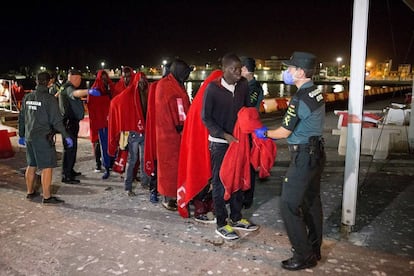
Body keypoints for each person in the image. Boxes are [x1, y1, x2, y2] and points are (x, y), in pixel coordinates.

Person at [255, 51, 326, 270]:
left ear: (301, 72)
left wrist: (264, 133)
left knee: (288, 205)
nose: (287, 71)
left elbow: (284, 132)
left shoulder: (299, 98)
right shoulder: (316, 92)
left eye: (291, 68)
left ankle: (304, 256)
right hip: (317, 154)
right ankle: (314, 248)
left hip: (304, 156)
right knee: (311, 201)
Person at [201, 53, 259, 240]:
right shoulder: (212, 89)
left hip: (239, 141)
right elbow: (206, 118)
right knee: (220, 182)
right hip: (220, 143)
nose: (238, 72)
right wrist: (225, 136)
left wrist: (255, 133)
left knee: (239, 179)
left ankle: (236, 217)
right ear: (224, 69)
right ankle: (221, 222)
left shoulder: (243, 85)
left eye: (240, 68)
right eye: (234, 69)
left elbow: (248, 110)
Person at [18, 71, 73, 204]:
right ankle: (47, 197)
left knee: (31, 165)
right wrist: (66, 136)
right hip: (43, 138)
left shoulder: (28, 97)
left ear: (36, 81)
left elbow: (22, 117)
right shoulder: (49, 99)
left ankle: (30, 192)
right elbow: (57, 121)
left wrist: (21, 134)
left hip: (29, 137)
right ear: (49, 82)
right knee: (47, 167)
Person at [177, 69, 223, 222]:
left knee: (210, 175)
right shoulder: (206, 100)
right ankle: (200, 208)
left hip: (206, 144)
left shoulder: (202, 98)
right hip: (201, 145)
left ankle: (209, 205)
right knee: (202, 174)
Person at [154, 59, 192, 211]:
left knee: (175, 168)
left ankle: (176, 194)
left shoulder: (174, 84)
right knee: (168, 168)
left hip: (175, 134)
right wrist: (181, 126)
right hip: (169, 136)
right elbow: (177, 108)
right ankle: (168, 197)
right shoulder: (167, 86)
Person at [108, 72, 150, 196]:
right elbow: (115, 102)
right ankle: (128, 187)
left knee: (144, 159)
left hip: (145, 131)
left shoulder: (148, 93)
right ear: (136, 82)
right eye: (140, 81)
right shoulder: (130, 93)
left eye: (144, 81)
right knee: (132, 160)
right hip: (133, 133)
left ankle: (144, 182)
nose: (142, 84)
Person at [240, 56, 265, 210]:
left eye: (240, 69)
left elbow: (248, 106)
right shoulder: (247, 86)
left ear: (245, 69)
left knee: (249, 165)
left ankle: (247, 198)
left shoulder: (254, 88)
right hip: (245, 129)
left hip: (249, 131)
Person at [58, 69, 89, 184]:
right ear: (74, 78)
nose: (80, 81)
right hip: (69, 123)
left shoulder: (64, 87)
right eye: (79, 78)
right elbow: (74, 94)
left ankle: (70, 170)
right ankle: (66, 175)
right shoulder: (69, 87)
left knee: (72, 148)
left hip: (70, 123)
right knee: (70, 149)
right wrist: (88, 91)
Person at [87, 70, 116, 179]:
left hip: (109, 122)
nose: (104, 80)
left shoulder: (110, 88)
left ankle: (111, 163)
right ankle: (104, 166)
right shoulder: (95, 89)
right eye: (102, 78)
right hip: (100, 123)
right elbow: (91, 107)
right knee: (101, 145)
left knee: (111, 143)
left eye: (105, 78)